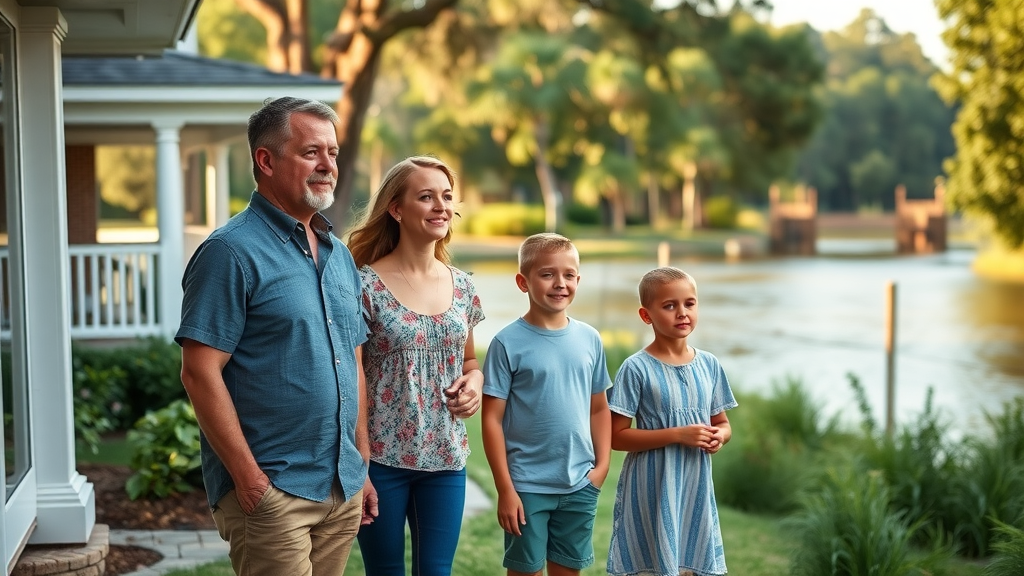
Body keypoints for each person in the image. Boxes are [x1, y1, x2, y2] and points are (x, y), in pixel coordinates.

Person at [176, 96, 376, 576]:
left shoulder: (338, 254)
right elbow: (199, 372)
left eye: (332, 152)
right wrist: (248, 480)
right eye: (311, 152)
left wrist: (361, 462)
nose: (327, 165)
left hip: (341, 487)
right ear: (265, 161)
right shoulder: (230, 252)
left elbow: (352, 358)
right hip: (273, 490)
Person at [345, 155, 486, 576]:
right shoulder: (363, 284)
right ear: (396, 208)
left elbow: (470, 360)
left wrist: (475, 382)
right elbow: (352, 380)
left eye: (446, 197)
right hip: (382, 461)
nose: (441, 206)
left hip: (446, 458)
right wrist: (362, 466)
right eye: (426, 197)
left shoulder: (462, 285)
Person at [481, 232, 612, 576]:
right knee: (526, 572)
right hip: (526, 487)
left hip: (580, 484)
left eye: (569, 275)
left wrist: (601, 468)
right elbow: (492, 420)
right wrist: (506, 490)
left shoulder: (590, 339)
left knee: (568, 571)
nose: (560, 283)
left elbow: (599, 407)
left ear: (578, 280)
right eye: (547, 274)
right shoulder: (506, 343)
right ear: (523, 282)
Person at [606, 266, 737, 576]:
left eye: (689, 304)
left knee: (690, 562)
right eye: (669, 306)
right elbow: (616, 437)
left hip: (695, 483)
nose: (682, 313)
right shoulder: (636, 368)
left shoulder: (709, 364)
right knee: (653, 563)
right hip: (652, 483)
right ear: (646, 315)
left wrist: (719, 436)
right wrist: (677, 434)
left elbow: (723, 423)